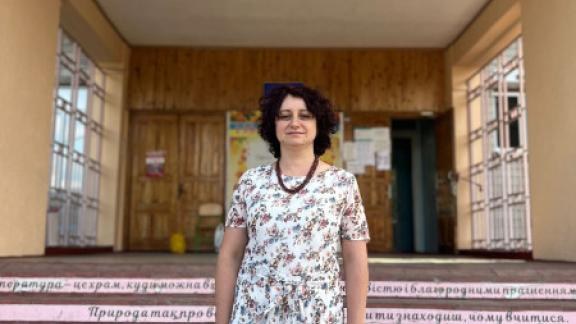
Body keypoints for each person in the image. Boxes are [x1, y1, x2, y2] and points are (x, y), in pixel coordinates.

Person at [215, 85, 370, 324]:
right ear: (272, 125)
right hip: (255, 311)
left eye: (305, 115)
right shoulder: (250, 182)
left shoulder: (343, 184)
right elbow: (230, 255)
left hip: (319, 313)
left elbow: (355, 260)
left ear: (318, 124)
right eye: (285, 116)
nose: (294, 122)